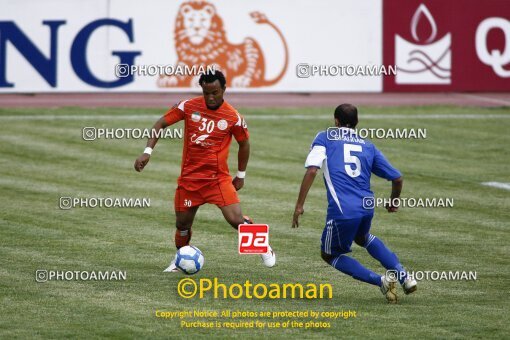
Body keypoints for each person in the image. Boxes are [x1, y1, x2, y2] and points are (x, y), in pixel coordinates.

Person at [134, 70, 275, 271]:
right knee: (182, 225)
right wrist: (147, 151)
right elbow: (160, 124)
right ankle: (180, 259)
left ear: (224, 89)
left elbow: (244, 144)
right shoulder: (188, 106)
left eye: (215, 92)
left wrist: (240, 175)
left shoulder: (233, 117)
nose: (210, 97)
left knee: (235, 220)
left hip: (217, 180)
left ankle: (263, 247)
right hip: (189, 181)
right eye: (206, 92)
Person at [292, 104, 416, 303]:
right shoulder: (368, 146)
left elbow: (312, 170)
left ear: (336, 121)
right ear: (357, 123)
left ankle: (381, 281)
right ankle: (404, 276)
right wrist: (393, 202)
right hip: (367, 207)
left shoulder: (324, 137)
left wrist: (299, 206)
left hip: (343, 211)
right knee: (362, 237)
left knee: (329, 254)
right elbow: (398, 178)